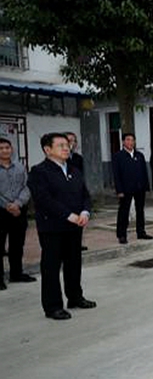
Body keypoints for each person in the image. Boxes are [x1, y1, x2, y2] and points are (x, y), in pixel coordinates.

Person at [27, 133, 95, 320]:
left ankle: (75, 297)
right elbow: (44, 200)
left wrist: (85, 212)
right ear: (47, 150)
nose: (66, 148)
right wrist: (68, 215)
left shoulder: (74, 169)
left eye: (67, 145)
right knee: (51, 267)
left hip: (75, 226)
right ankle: (53, 306)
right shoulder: (39, 172)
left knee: (74, 264)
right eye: (61, 145)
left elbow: (85, 195)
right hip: (53, 228)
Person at [0, 138, 35, 290]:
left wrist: (18, 204)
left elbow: (27, 187)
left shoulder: (20, 167)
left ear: (11, 149)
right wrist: (7, 205)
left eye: (7, 147)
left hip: (19, 211)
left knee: (17, 244)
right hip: (1, 211)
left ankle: (16, 273)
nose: (5, 150)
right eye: (1, 148)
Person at [112, 133, 152, 244]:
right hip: (125, 189)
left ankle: (141, 232)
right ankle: (121, 234)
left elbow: (144, 172)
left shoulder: (139, 155)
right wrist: (119, 190)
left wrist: (146, 186)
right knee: (124, 212)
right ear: (123, 142)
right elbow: (116, 175)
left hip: (139, 188)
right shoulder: (118, 156)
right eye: (128, 140)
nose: (130, 142)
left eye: (132, 140)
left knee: (140, 211)